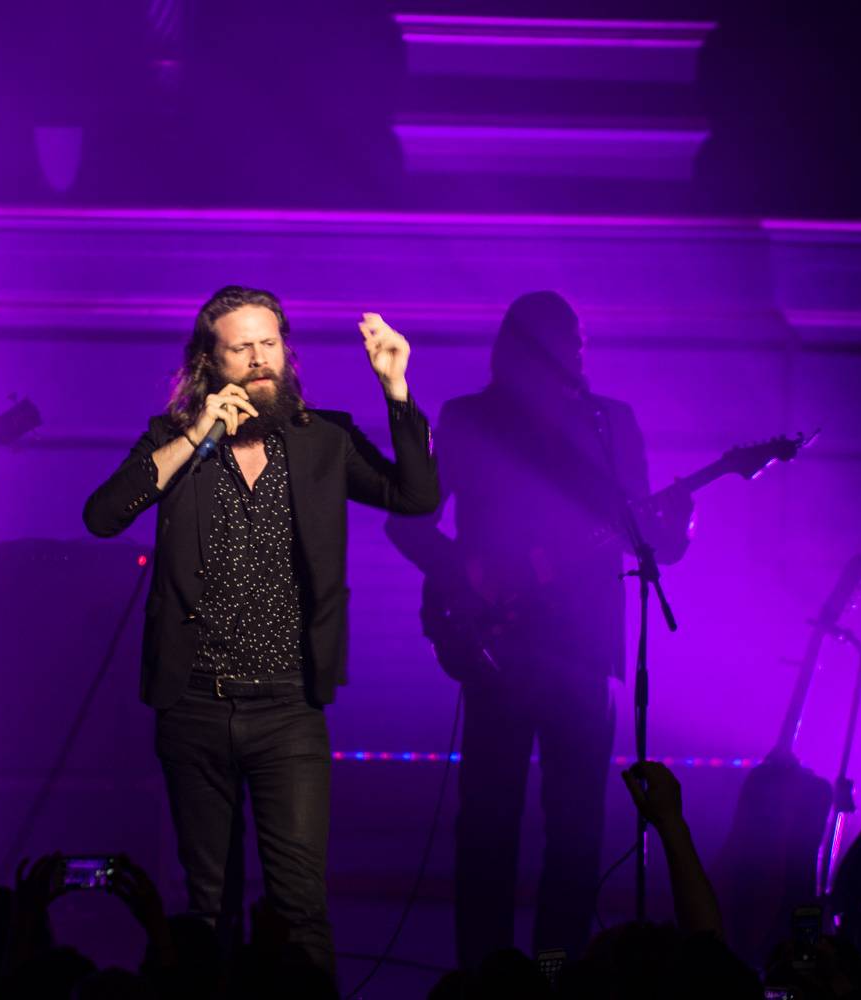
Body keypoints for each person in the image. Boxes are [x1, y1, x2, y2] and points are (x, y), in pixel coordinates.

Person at [82, 285, 440, 978]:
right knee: (206, 902)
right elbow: (103, 515)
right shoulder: (175, 442)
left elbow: (417, 498)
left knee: (300, 904)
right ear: (209, 362)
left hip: (289, 709)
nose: (258, 360)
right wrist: (193, 437)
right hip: (193, 704)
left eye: (269, 343)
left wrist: (396, 389)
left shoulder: (322, 440)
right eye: (240, 347)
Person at [386, 291, 691, 967]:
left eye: (582, 341)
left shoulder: (611, 424)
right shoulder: (468, 421)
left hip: (582, 652)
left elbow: (649, 538)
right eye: (567, 341)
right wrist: (470, 571)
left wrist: (679, 528)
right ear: (528, 348)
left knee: (576, 833)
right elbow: (406, 521)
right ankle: (485, 977)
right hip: (499, 645)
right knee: (491, 826)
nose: (579, 353)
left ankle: (556, 977)